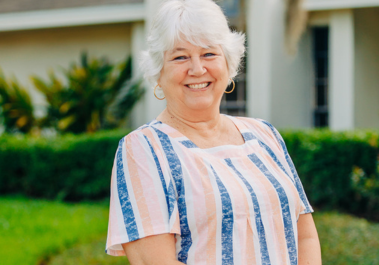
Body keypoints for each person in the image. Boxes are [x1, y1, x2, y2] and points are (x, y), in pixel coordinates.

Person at [105, 0, 321, 264]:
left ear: (228, 63)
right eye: (180, 56)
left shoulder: (265, 135)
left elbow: (305, 236)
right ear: (158, 72)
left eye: (209, 54)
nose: (197, 69)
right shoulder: (143, 149)